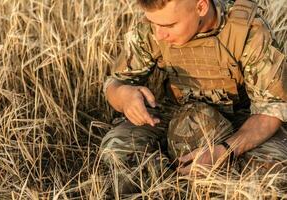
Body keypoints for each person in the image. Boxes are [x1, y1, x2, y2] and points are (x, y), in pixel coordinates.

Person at [100, 0, 287, 195]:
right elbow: (115, 83)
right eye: (153, 23)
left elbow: (271, 110)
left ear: (201, 7)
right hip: (175, 113)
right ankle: (171, 187)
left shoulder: (247, 31)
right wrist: (124, 96)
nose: (159, 34)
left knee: (271, 175)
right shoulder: (155, 25)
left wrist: (225, 151)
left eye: (169, 25)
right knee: (116, 149)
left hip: (241, 121)